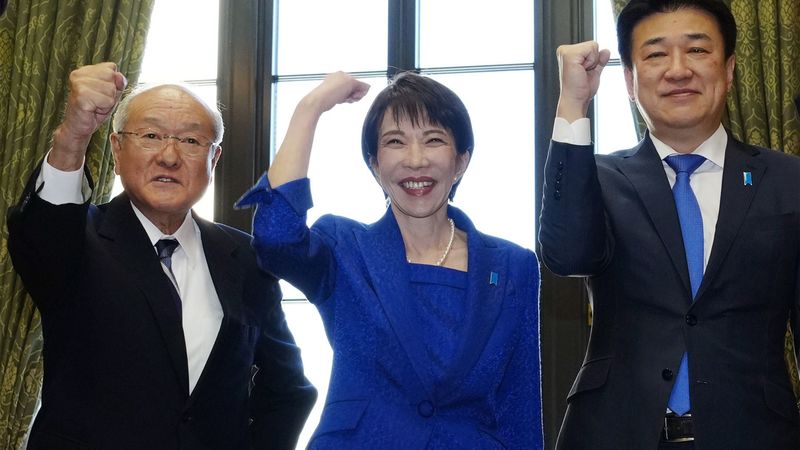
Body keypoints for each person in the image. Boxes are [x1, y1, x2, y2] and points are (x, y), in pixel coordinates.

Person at [6, 62, 316, 450]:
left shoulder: (245, 259)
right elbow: (44, 229)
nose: (169, 156)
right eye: (151, 135)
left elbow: (288, 390)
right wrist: (74, 135)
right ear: (117, 150)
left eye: (191, 141)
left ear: (213, 159)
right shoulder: (77, 241)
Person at [538, 0, 800, 448]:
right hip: (614, 435)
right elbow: (567, 255)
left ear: (729, 69)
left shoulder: (788, 179)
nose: (678, 70)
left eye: (697, 50)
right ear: (629, 80)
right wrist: (573, 103)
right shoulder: (599, 180)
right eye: (656, 54)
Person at [236, 71, 543, 449]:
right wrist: (310, 108)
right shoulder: (345, 248)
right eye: (395, 142)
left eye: (434, 140)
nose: (416, 160)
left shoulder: (514, 267)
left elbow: (520, 410)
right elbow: (275, 238)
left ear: (461, 162)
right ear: (375, 165)